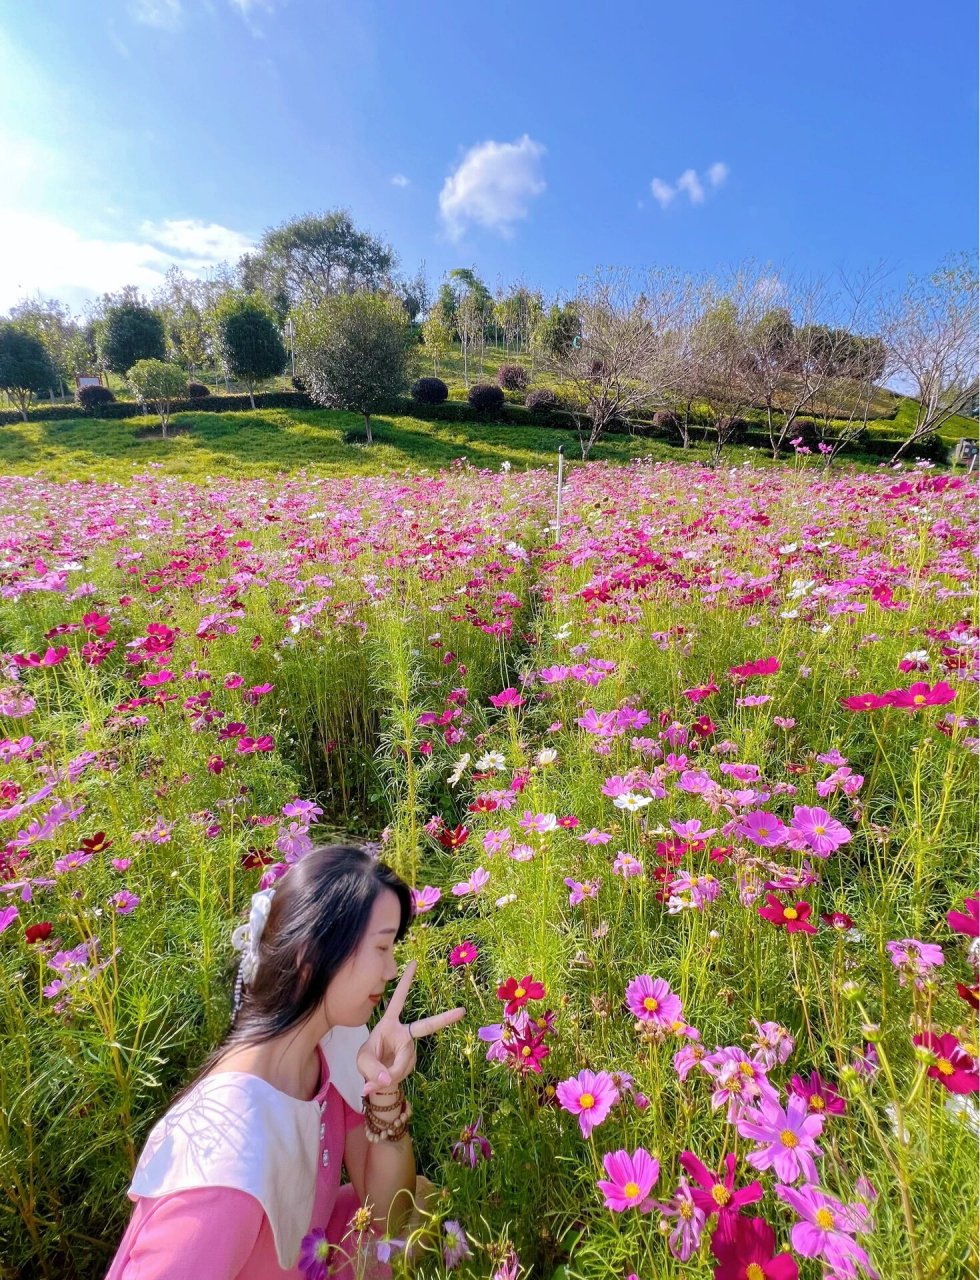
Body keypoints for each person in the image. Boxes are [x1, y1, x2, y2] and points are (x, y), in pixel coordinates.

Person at [106, 844, 466, 1279]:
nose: (391, 970)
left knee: (422, 1202)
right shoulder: (223, 1160)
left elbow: (388, 1215)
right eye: (381, 947)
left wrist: (384, 1087)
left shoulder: (324, 1053)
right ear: (310, 955)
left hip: (303, 1259)